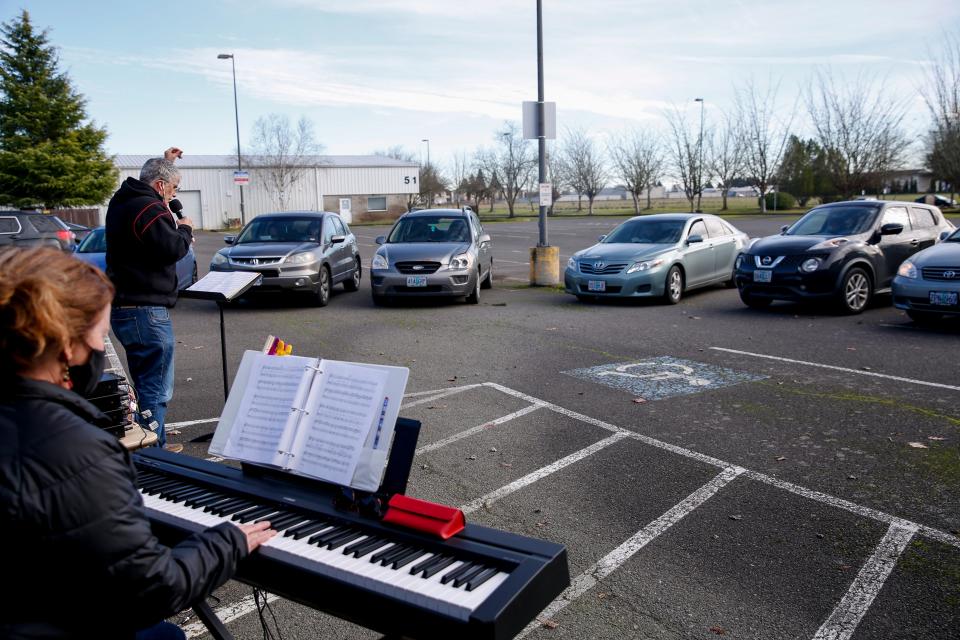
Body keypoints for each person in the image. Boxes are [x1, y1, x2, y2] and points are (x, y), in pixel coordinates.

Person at [0, 247, 276, 639]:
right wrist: (226, 542)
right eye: (99, 335)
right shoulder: (73, 447)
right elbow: (152, 591)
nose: (102, 349)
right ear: (66, 347)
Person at [106, 147, 193, 451]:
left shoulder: (124, 201)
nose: (173, 195)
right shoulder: (149, 208)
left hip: (126, 309)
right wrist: (184, 230)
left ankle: (152, 443)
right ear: (159, 186)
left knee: (146, 384)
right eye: (173, 188)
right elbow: (170, 248)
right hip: (146, 312)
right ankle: (155, 456)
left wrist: (166, 162)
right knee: (156, 389)